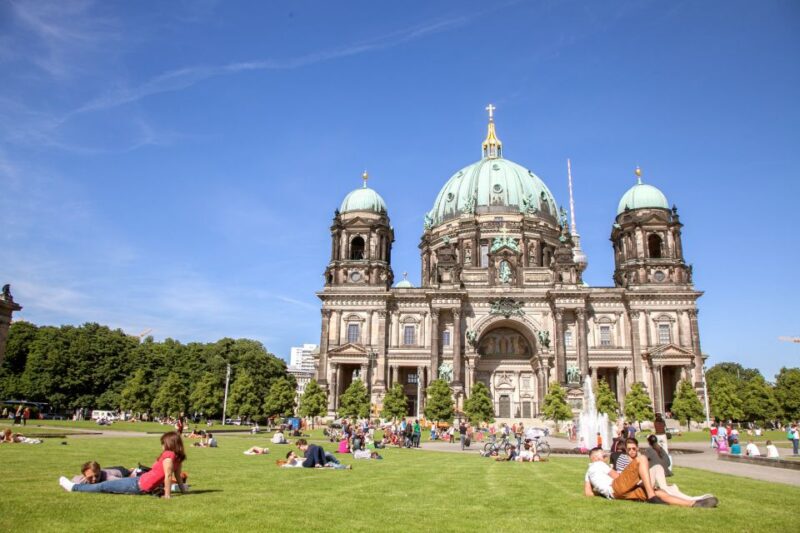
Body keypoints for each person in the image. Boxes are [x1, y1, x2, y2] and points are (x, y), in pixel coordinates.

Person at [60, 431, 187, 497]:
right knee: (108, 484)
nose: (162, 446)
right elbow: (177, 476)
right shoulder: (177, 458)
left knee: (103, 486)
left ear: (169, 443)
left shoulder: (168, 456)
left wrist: (167, 496)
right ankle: (77, 483)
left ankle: (73, 487)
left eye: (163, 443)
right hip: (140, 480)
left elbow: (169, 476)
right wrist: (183, 491)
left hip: (138, 485)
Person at [583, 446, 717, 507]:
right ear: (595, 458)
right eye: (603, 455)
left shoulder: (588, 472)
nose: (606, 457)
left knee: (660, 492)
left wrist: (602, 491)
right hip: (616, 487)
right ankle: (651, 495)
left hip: (615, 494)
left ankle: (693, 504)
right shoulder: (599, 464)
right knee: (641, 459)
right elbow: (617, 476)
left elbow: (588, 493)